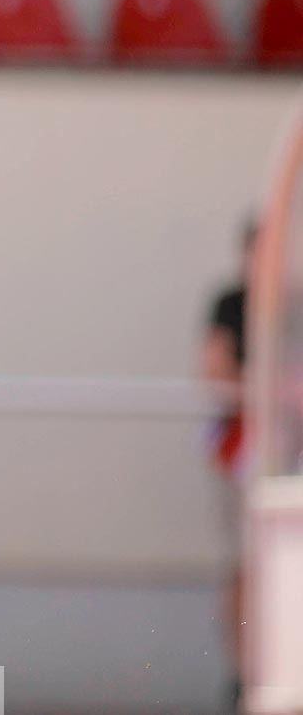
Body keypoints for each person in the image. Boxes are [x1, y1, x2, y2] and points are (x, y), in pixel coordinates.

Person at [202, 218, 255, 705]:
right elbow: (216, 372)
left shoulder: (294, 305)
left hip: (290, 449)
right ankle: (241, 674)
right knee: (244, 564)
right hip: (245, 449)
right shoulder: (230, 305)